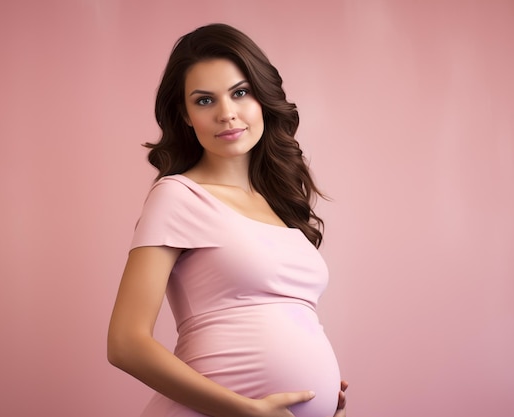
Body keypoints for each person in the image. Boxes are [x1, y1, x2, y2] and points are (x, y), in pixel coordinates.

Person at [107, 23, 348, 417]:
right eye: (204, 101)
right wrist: (246, 411)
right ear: (184, 115)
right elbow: (125, 343)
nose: (227, 114)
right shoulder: (177, 196)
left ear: (261, 98)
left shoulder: (278, 203)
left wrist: (319, 390)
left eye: (240, 92)